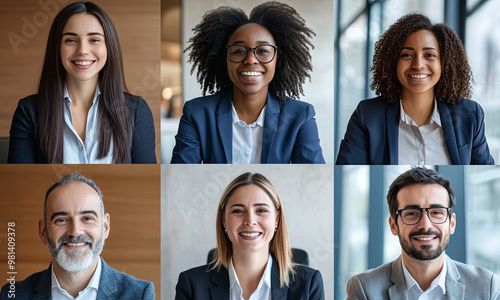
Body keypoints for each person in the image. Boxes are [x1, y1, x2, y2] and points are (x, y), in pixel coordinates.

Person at [340, 167, 500, 300]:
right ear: (394, 225)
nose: (425, 225)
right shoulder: (365, 288)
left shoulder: (486, 287)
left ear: (451, 223)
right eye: (411, 213)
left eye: (436, 212)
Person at [0, 172, 159, 300]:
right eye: (61, 220)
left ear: (105, 227)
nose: (75, 232)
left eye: (87, 218)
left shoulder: (139, 298)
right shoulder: (11, 298)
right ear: (43, 231)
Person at [171, 2, 325, 163]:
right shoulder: (196, 114)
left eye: (263, 51)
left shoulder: (301, 116)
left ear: (277, 58)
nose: (251, 60)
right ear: (224, 58)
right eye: (239, 51)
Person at [174, 172, 326, 300]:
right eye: (238, 211)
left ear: (276, 219)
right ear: (224, 220)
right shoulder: (191, 285)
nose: (250, 221)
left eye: (261, 210)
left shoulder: (309, 284)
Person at [8, 1, 156, 163]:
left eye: (94, 40)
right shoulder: (29, 111)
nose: (82, 50)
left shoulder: (136, 111)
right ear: (56, 48)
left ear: (109, 47)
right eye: (71, 40)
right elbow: (22, 181)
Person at [336, 13, 494, 165]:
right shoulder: (367, 115)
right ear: (393, 61)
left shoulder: (470, 115)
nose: (418, 65)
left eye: (429, 55)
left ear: (445, 63)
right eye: (407, 55)